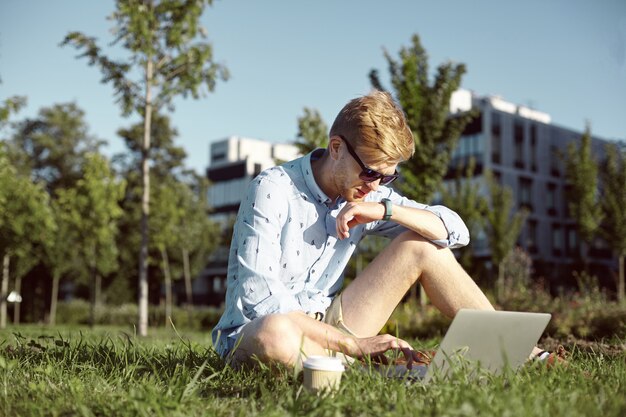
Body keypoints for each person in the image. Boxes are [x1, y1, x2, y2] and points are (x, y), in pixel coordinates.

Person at [212, 90, 549, 369]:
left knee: (422, 245)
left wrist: (388, 209)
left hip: (329, 325)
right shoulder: (273, 188)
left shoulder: (370, 195)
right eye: (372, 173)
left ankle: (518, 352)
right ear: (336, 148)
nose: (376, 185)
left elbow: (457, 232)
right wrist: (353, 344)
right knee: (277, 334)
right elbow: (262, 302)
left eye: (388, 177)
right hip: (262, 332)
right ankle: (355, 360)